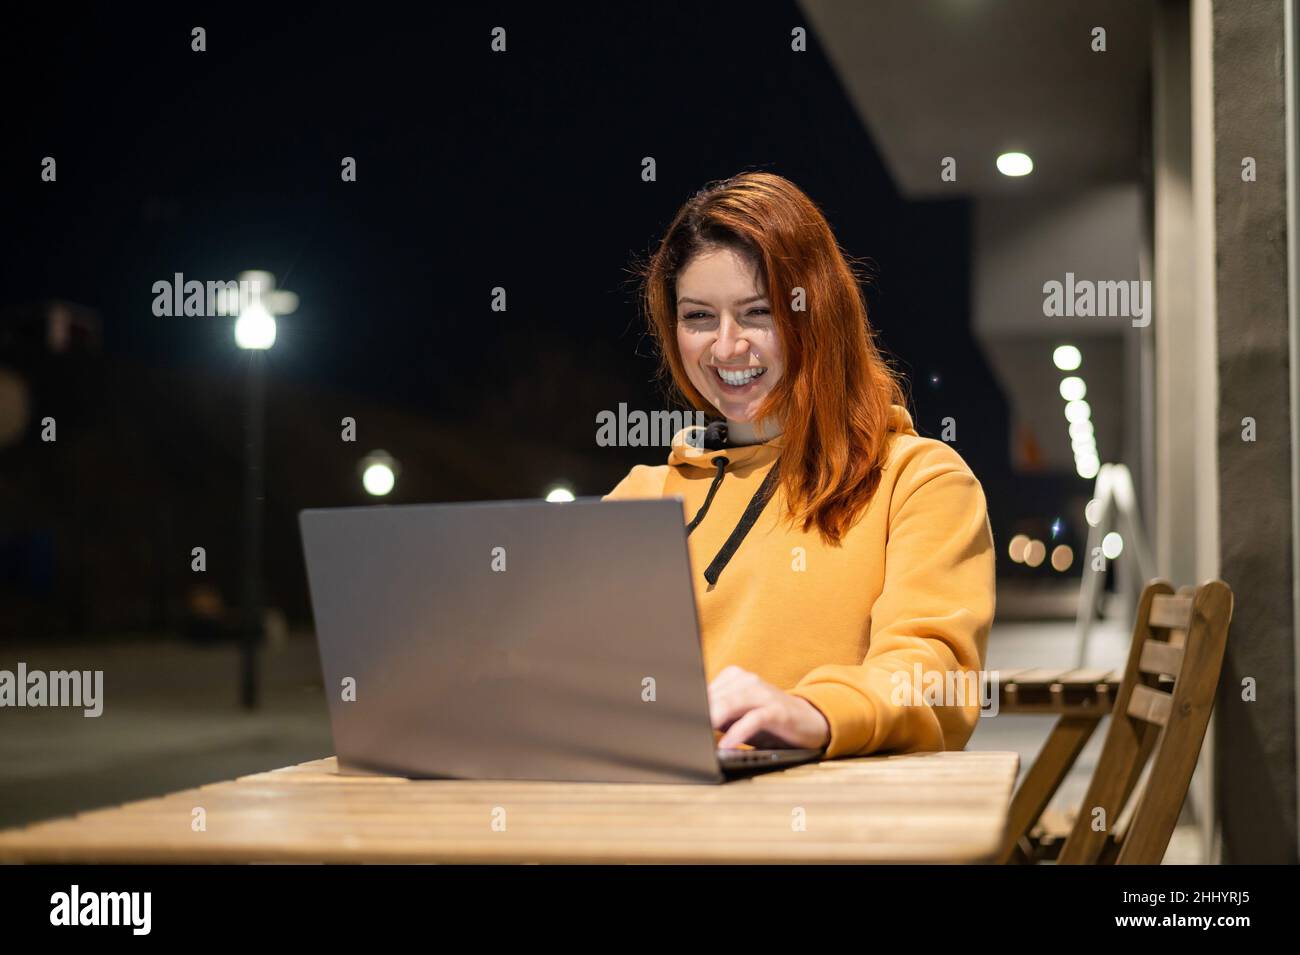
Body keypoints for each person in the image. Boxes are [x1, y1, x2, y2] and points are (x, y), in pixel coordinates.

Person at [603, 171, 996, 759]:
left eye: (758, 312)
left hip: (835, 825)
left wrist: (813, 712)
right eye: (699, 317)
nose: (727, 347)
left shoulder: (919, 481)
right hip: (650, 813)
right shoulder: (643, 496)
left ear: (819, 313)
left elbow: (933, 673)